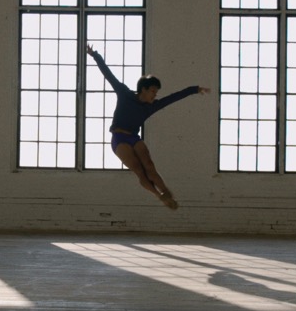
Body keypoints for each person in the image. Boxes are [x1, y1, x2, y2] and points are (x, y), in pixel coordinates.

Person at [87, 44, 210, 210]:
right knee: (139, 170)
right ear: (143, 90)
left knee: (149, 166)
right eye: (152, 91)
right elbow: (109, 76)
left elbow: (173, 98)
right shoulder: (125, 94)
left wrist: (194, 89)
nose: (155, 95)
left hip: (133, 137)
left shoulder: (151, 106)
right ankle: (159, 195)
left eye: (156, 92)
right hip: (119, 138)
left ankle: (166, 192)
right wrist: (95, 55)